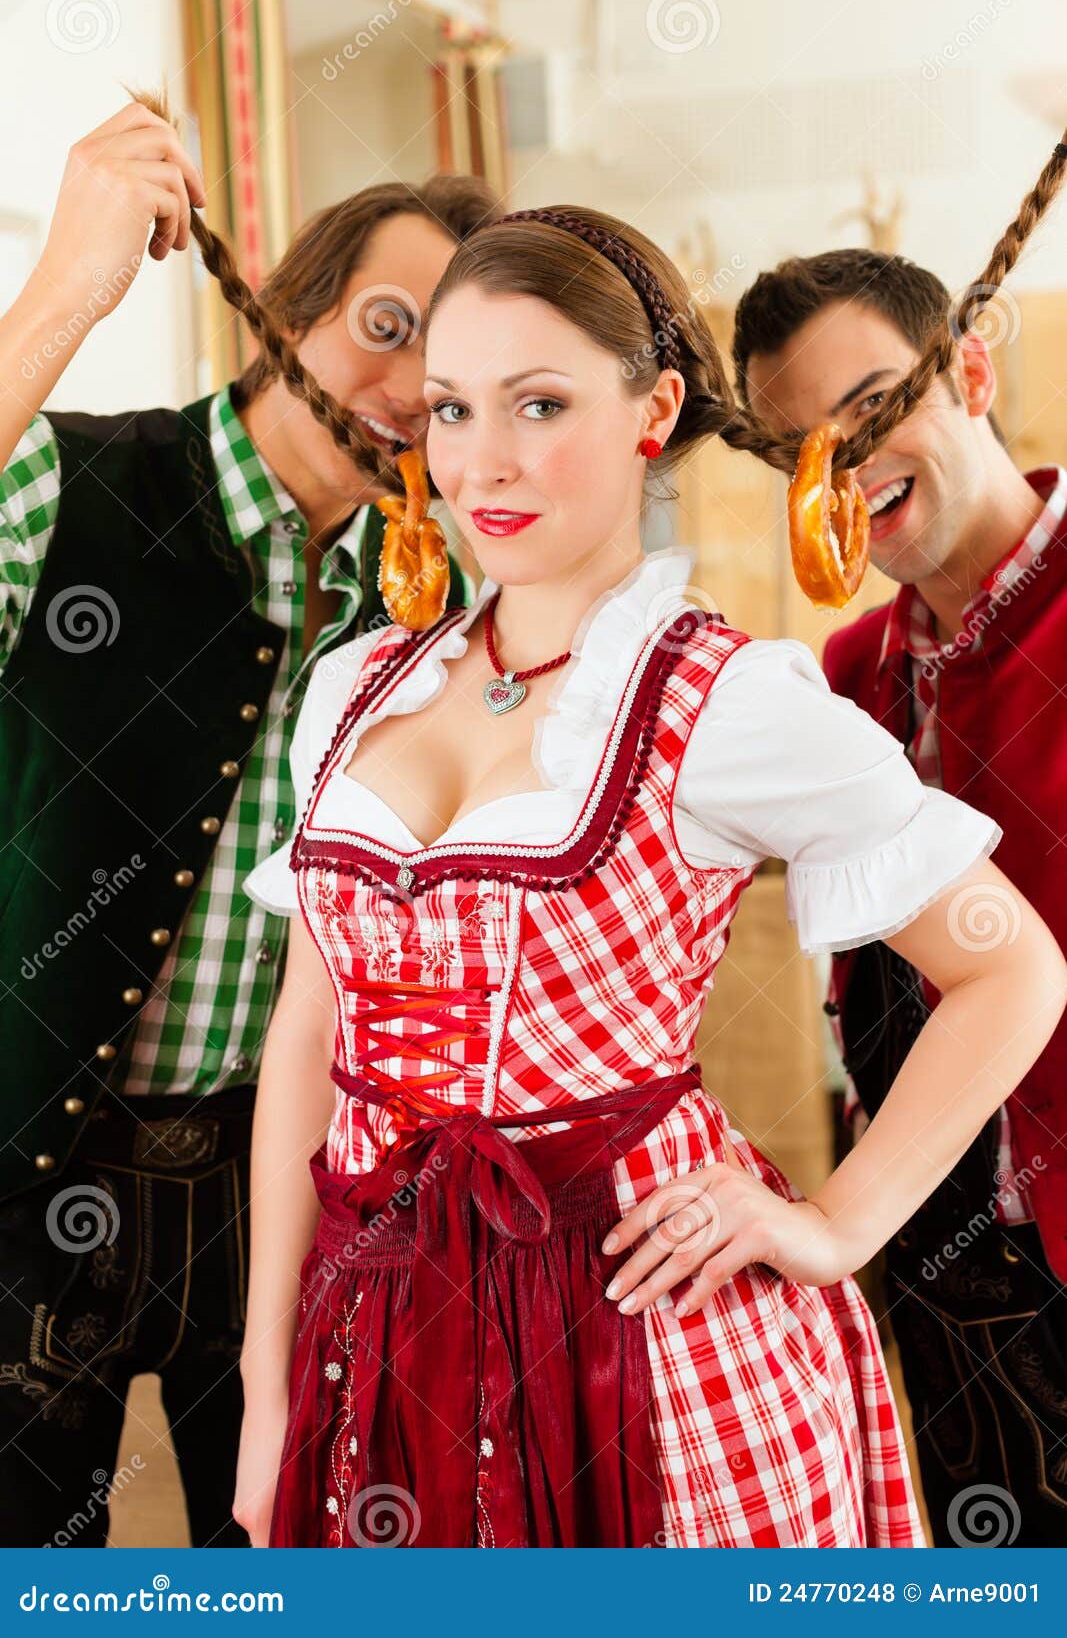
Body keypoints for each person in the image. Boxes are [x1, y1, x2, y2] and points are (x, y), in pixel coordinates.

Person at [236, 204, 1067, 1550]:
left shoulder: (728, 697)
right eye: (451, 408)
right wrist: (266, 1371)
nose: (484, 460)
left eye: (541, 401)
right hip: (374, 1328)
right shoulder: (354, 690)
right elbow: (305, 1037)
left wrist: (833, 1226)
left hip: (656, 1349)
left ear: (651, 410)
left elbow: (1012, 964)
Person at [0, 94, 497, 1546]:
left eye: (454, 375)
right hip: (33, 1173)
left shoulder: (431, 619)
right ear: (284, 304)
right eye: (386, 325)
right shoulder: (62, 476)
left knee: (286, 1555)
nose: (409, 393)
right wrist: (62, 292)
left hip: (280, 1200)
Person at [733, 246, 1067, 1546]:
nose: (843, 464)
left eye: (873, 407)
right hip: (951, 1274)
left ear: (971, 371)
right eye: (797, 447)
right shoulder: (850, 666)